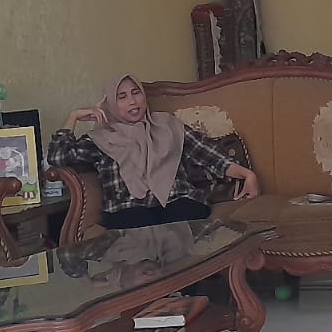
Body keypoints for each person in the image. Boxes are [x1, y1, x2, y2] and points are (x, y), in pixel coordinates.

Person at [48, 74, 259, 229]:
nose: (132, 102)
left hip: (177, 202)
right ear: (110, 104)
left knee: (185, 219)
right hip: (127, 209)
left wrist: (247, 175)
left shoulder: (168, 126)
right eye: (122, 97)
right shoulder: (99, 139)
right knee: (139, 228)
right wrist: (73, 117)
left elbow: (209, 155)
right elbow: (58, 157)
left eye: (136, 93)